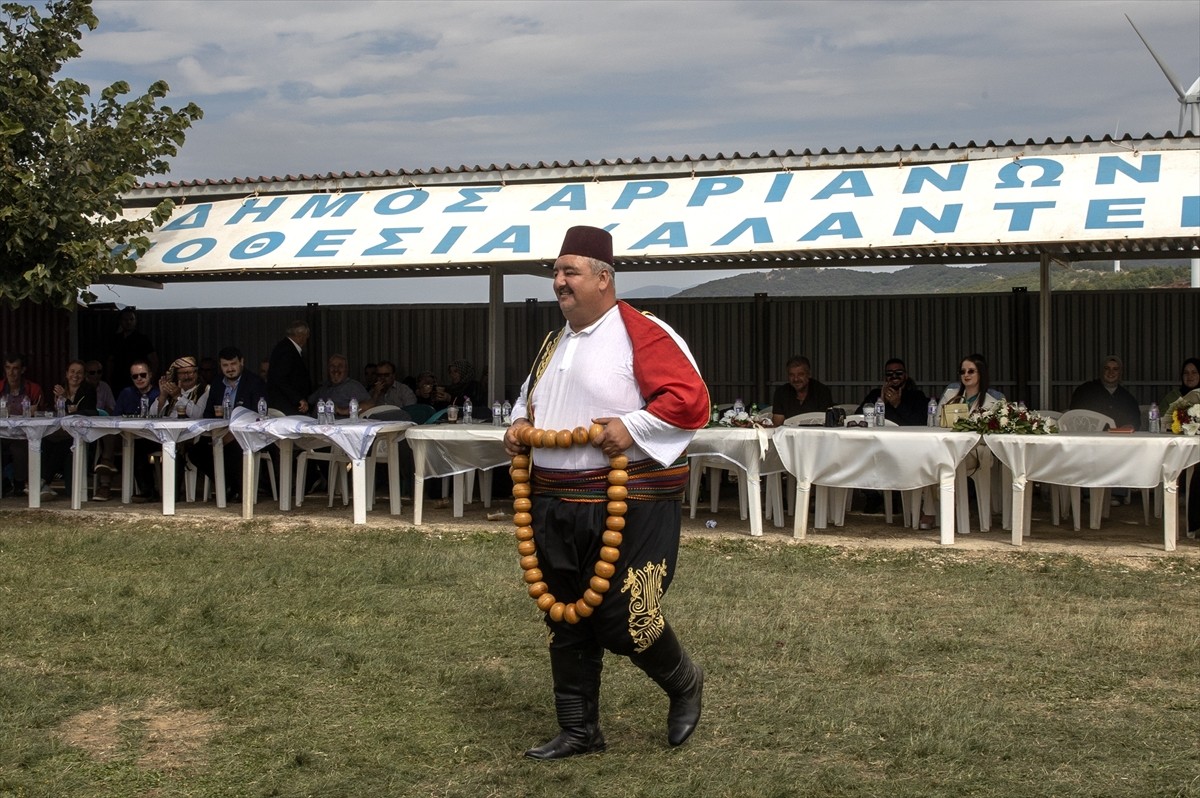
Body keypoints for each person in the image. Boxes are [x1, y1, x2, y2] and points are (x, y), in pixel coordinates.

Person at [504, 225, 709, 758]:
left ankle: (685, 682)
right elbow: (529, 400)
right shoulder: (554, 342)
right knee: (565, 615)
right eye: (556, 272)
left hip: (630, 501)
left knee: (625, 616)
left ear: (604, 278)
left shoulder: (642, 332)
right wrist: (517, 424)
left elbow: (689, 399)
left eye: (569, 271)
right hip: (553, 499)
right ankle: (579, 730)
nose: (558, 282)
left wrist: (633, 426)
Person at [187, 346, 268, 501]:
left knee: (233, 449)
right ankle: (227, 484)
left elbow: (256, 414)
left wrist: (232, 433)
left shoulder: (254, 382)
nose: (230, 369)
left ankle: (238, 489)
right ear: (220, 365)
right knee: (195, 451)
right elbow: (208, 412)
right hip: (219, 432)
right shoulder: (217, 383)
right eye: (225, 365)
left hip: (244, 434)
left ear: (241, 362)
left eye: (233, 364)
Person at [40, 360, 99, 498]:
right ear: (66, 374)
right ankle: (43, 482)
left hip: (83, 433)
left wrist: (65, 398)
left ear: (84, 376)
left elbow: (85, 412)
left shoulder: (88, 390)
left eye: (79, 373)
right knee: (44, 441)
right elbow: (54, 412)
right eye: (72, 371)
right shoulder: (60, 389)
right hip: (62, 432)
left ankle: (43, 481)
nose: (75, 375)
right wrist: (58, 401)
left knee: (64, 445)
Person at [1162, 358, 1200, 537]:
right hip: (1179, 446)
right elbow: (1165, 420)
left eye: (1194, 372)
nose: (1190, 376)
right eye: (1186, 373)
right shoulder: (1174, 397)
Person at [114, 360, 162, 502]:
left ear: (150, 375)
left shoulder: (159, 393)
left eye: (143, 375)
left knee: (138, 448)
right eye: (135, 376)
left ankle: (148, 491)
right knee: (130, 445)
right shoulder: (126, 393)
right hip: (130, 436)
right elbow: (116, 417)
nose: (139, 378)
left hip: (155, 437)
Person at [1, 352, 45, 494]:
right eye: (8, 368)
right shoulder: (1, 387)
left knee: (19, 449)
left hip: (24, 434)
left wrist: (36, 411)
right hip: (2, 433)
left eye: (15, 368)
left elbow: (44, 415)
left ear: (22, 370)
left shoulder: (33, 389)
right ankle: (4, 482)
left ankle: (19, 484)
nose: (11, 372)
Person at [1069, 355, 1140, 429]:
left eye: (1115, 369)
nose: (1111, 372)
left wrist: (1130, 425)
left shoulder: (1127, 397)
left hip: (1117, 438)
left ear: (1120, 373)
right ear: (1102, 370)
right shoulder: (1085, 390)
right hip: (1089, 437)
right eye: (1107, 368)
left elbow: (1135, 420)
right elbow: (1074, 414)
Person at [855, 358, 930, 426]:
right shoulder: (875, 394)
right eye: (889, 373)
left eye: (899, 373)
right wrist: (881, 403)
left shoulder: (916, 395)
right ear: (885, 378)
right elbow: (857, 418)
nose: (894, 376)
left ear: (906, 376)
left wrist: (898, 404)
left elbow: (921, 422)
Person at [106, 308, 158, 395]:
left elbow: (154, 360)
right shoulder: (115, 339)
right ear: (120, 321)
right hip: (118, 381)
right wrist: (108, 380)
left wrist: (150, 379)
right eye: (125, 320)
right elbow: (110, 361)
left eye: (131, 319)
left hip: (138, 379)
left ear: (135, 321)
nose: (128, 322)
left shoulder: (142, 339)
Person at [770, 356, 834, 426]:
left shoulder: (822, 391)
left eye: (800, 374)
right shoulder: (781, 393)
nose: (796, 379)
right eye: (792, 375)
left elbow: (826, 422)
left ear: (808, 374)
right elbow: (777, 424)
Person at [266, 320, 313, 415]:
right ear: (300, 336)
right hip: (285, 407)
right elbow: (280, 378)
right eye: (306, 336)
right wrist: (298, 399)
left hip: (286, 405)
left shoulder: (284, 347)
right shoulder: (287, 350)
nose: (307, 339)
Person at [936, 353, 1003, 414]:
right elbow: (937, 421)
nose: (966, 375)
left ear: (981, 373)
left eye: (971, 371)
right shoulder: (949, 395)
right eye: (962, 371)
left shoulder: (991, 403)